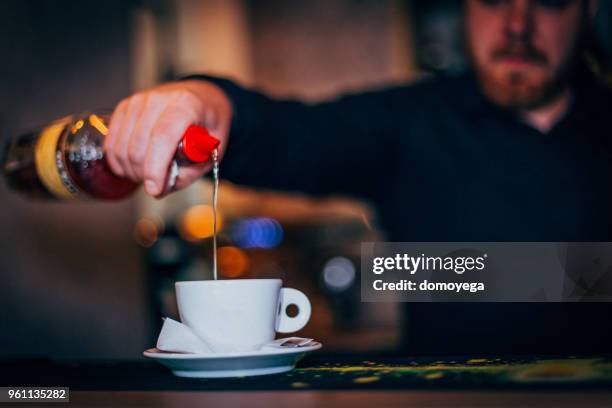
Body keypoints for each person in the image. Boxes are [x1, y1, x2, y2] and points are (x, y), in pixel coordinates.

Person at [106, 0, 612, 355]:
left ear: (588, 10)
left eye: (550, 0)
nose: (517, 25)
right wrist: (202, 102)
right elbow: (287, 133)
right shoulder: (411, 121)